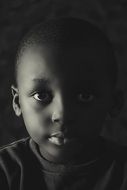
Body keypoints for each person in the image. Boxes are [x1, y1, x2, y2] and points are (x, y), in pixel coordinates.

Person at [0, 17, 126, 190]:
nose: (62, 114)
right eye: (41, 96)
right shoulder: (5, 171)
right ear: (17, 101)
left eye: (84, 96)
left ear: (114, 103)